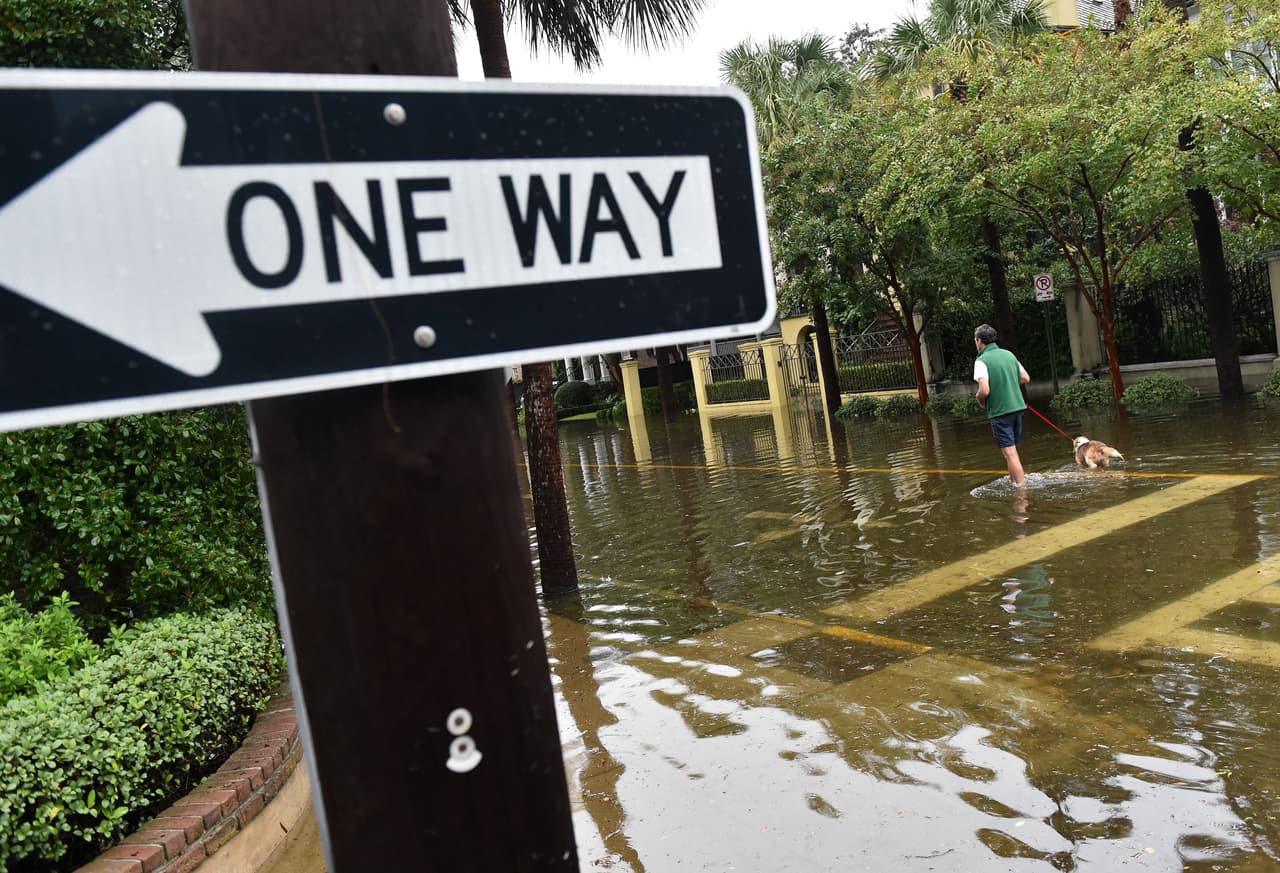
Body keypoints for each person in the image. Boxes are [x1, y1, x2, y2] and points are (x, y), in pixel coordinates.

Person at [973, 324, 1031, 486]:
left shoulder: (981, 361)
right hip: (1018, 408)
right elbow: (1025, 378)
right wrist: (1008, 383)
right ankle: (1014, 483)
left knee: (1010, 453)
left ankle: (1021, 490)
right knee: (1011, 453)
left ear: (979, 341)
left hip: (1000, 412)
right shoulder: (1009, 354)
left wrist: (978, 397)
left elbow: (984, 390)